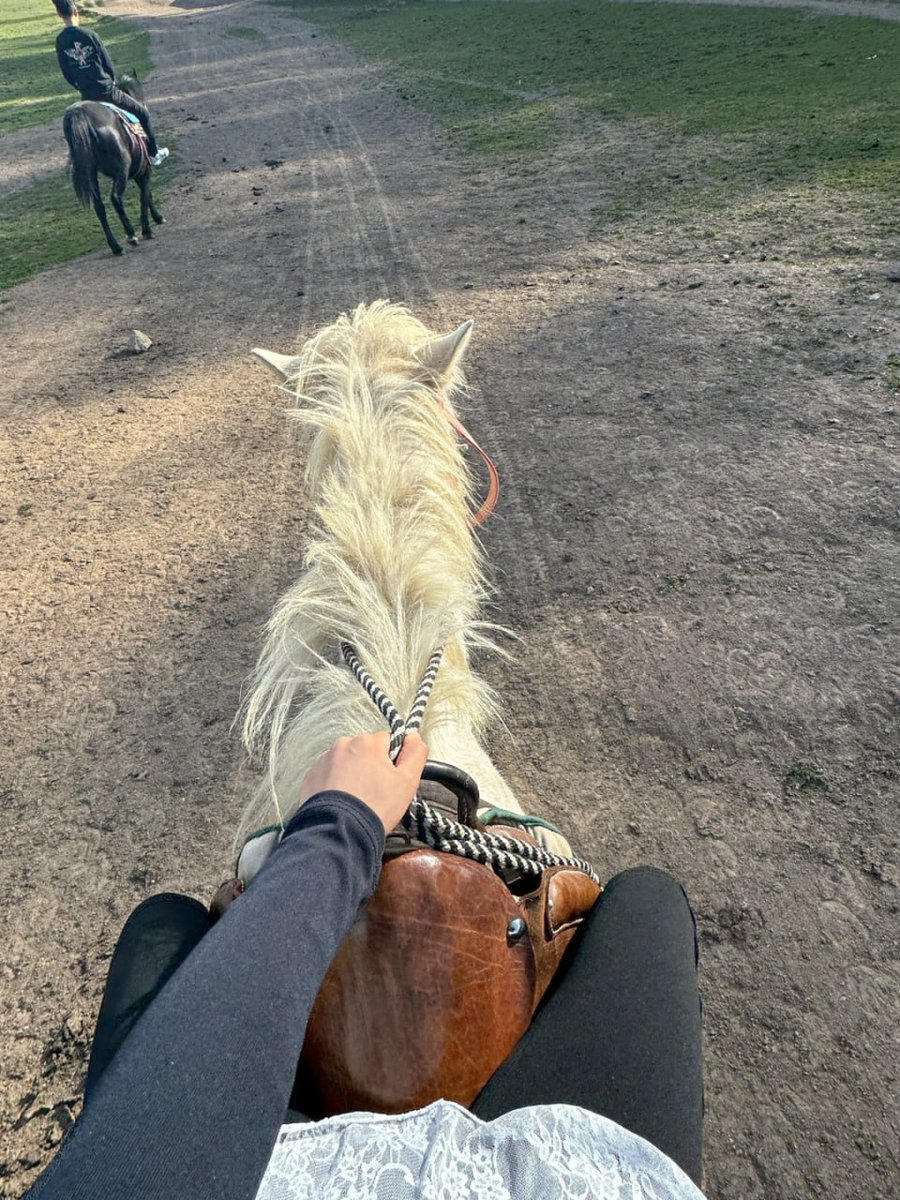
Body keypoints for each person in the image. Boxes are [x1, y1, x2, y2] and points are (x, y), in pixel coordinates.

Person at [23, 731, 705, 1199]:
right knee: (649, 899)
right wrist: (338, 823)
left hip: (265, 1171)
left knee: (165, 922)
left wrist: (338, 823)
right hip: (555, 1179)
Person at [53, 0, 169, 166]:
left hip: (86, 94)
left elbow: (67, 72)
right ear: (76, 11)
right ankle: (153, 153)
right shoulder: (91, 35)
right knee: (142, 112)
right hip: (106, 89)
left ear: (59, 14)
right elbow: (107, 64)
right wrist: (112, 81)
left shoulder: (60, 40)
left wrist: (79, 85)